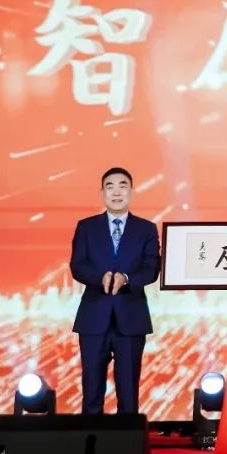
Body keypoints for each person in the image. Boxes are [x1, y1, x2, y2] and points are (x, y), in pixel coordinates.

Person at [69, 166, 161, 414]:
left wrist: (127, 278)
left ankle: (127, 438)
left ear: (132, 191)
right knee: (91, 391)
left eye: (123, 186)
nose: (116, 192)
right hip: (93, 318)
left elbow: (151, 268)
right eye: (110, 187)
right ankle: (90, 437)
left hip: (131, 317)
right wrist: (100, 278)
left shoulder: (146, 229)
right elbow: (77, 265)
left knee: (128, 393)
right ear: (102, 193)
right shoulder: (86, 227)